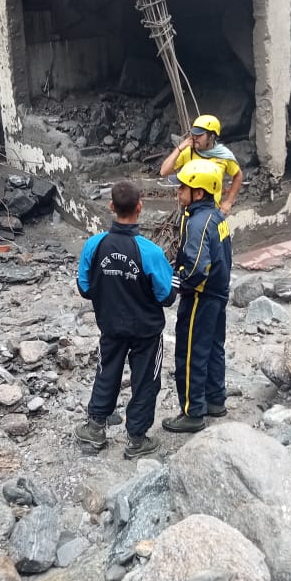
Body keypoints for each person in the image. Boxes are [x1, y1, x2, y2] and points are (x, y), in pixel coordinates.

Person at [75, 178, 175, 459]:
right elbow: (166, 296)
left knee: (107, 372)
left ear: (111, 207)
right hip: (146, 331)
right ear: (140, 207)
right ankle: (137, 439)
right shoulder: (151, 252)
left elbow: (84, 288)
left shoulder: (94, 245)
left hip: (111, 326)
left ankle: (95, 428)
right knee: (145, 381)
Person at [162, 159, 232, 434]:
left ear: (198, 193)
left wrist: (176, 284)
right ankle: (216, 399)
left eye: (183, 188)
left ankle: (192, 412)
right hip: (218, 293)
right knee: (214, 347)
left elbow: (195, 266)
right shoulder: (216, 216)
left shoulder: (197, 223)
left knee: (190, 353)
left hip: (200, 297)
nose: (178, 192)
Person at [159, 115, 243, 215]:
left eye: (199, 135)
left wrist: (228, 202)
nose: (194, 138)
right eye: (193, 134)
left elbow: (238, 175)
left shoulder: (224, 156)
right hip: (188, 211)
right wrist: (180, 148)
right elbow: (164, 171)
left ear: (211, 137)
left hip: (212, 210)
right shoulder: (188, 152)